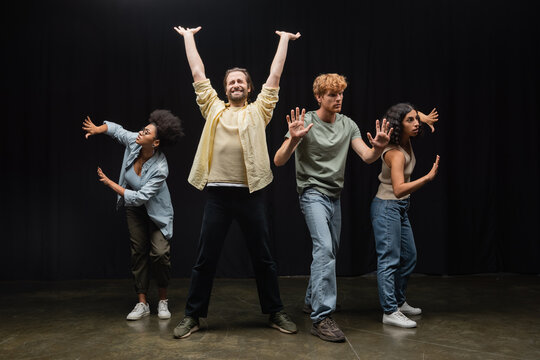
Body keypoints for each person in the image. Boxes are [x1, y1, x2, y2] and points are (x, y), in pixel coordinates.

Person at [171, 25, 300, 339]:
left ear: (249, 88)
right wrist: (189, 38)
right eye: (231, 81)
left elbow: (275, 76)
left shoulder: (260, 111)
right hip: (217, 194)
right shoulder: (213, 108)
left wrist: (283, 41)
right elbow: (198, 72)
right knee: (205, 258)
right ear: (225, 89)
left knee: (264, 257)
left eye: (241, 80)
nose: (236, 84)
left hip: (251, 195)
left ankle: (274, 311)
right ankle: (193, 316)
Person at [273, 73, 392, 342]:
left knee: (330, 251)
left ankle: (310, 300)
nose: (338, 99)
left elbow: (367, 156)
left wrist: (379, 149)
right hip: (312, 193)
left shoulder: (348, 125)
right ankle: (321, 317)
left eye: (340, 94)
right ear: (319, 97)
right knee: (324, 249)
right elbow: (279, 160)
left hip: (334, 197)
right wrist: (293, 139)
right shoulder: (307, 122)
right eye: (331, 95)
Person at [82, 110, 183, 321]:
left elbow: (140, 197)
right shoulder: (135, 142)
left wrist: (110, 183)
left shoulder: (161, 168)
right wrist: (99, 129)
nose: (140, 132)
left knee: (160, 254)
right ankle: (142, 303)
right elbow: (118, 131)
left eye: (146, 132)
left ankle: (163, 300)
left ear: (155, 143)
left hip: (157, 211)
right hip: (135, 208)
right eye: (143, 129)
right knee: (138, 251)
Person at [370, 103, 439, 328]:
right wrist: (427, 178)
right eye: (411, 121)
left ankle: (399, 301)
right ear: (400, 126)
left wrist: (423, 118)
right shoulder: (395, 153)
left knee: (409, 257)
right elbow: (399, 189)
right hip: (387, 206)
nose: (416, 123)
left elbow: (409, 113)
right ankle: (390, 311)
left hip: (400, 208)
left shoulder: (405, 140)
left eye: (415, 119)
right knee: (389, 261)